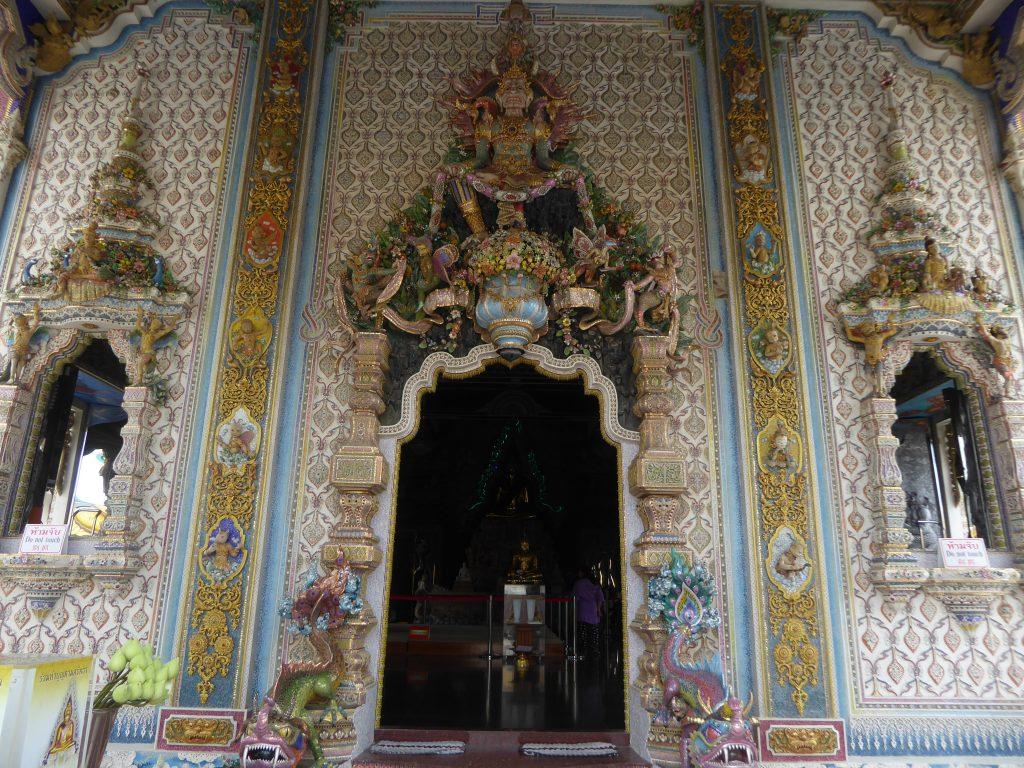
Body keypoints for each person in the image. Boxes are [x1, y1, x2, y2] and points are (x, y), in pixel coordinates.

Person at [571, 567, 604, 661]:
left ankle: (583, 652)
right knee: (594, 633)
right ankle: (594, 652)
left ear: (582, 573)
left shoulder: (578, 584)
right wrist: (598, 609)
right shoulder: (594, 583)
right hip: (593, 611)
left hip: (582, 610)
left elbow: (574, 597)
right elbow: (600, 598)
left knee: (583, 633)